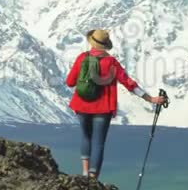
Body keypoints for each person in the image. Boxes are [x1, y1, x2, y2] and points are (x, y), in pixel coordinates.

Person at [65, 29, 166, 179]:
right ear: (106, 45)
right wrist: (150, 99)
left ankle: (84, 173)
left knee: (86, 136)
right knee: (99, 142)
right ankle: (93, 177)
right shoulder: (111, 62)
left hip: (82, 105)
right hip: (103, 108)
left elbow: (70, 82)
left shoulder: (82, 58)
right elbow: (128, 83)